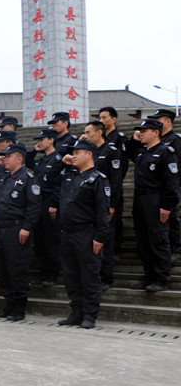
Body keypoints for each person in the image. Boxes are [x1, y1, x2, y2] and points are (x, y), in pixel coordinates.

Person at [56, 140, 111, 329]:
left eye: (78, 152)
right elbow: (48, 178)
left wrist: (99, 237)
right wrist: (63, 163)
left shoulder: (98, 179)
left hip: (86, 233)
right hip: (68, 233)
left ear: (89, 154)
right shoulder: (72, 176)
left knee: (89, 276)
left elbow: (103, 212)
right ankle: (76, 312)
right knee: (71, 276)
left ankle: (89, 315)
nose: (74, 155)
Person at [0, 143, 40, 321]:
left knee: (16, 268)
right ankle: (9, 303)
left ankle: (19, 307)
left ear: (19, 158)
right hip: (1, 228)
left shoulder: (28, 178)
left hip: (17, 228)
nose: (5, 158)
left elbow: (34, 206)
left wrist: (27, 227)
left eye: (8, 156)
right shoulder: (4, 177)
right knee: (3, 270)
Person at [128, 119, 178, 292]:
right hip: (140, 199)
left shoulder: (166, 152)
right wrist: (134, 140)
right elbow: (129, 152)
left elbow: (172, 182)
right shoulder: (142, 153)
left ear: (156, 132)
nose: (141, 133)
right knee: (142, 240)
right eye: (139, 130)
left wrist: (166, 205)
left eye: (144, 130)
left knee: (158, 239)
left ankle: (161, 277)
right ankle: (149, 275)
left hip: (156, 199)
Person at [78, 121, 123, 289]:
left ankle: (106, 277)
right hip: (88, 205)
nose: (86, 135)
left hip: (105, 202)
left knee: (106, 240)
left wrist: (112, 205)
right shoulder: (88, 152)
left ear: (99, 133)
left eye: (88, 132)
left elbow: (116, 181)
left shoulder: (112, 152)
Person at [27, 129, 63, 286]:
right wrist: (33, 151)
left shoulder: (58, 159)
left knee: (51, 239)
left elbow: (58, 185)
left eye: (42, 139)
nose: (39, 142)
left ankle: (52, 273)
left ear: (51, 140)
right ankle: (43, 271)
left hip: (50, 203)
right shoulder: (41, 160)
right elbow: (28, 162)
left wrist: (55, 203)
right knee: (40, 240)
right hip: (38, 203)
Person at [147, 108, 181, 258]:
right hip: (154, 188)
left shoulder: (175, 140)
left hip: (170, 186)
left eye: (158, 120)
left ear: (168, 122)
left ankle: (174, 248)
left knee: (172, 218)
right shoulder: (156, 142)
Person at [99, 106, 129, 256]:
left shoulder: (119, 137)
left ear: (114, 119)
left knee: (115, 217)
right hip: (100, 184)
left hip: (113, 183)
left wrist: (115, 181)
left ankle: (117, 247)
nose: (102, 120)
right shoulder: (100, 137)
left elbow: (122, 164)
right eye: (100, 118)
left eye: (105, 117)